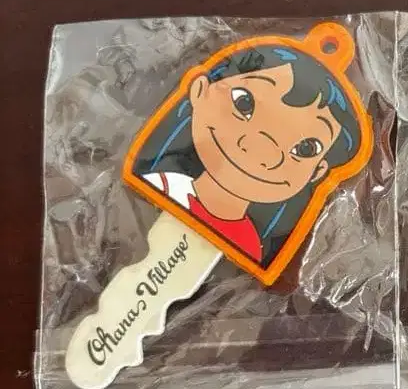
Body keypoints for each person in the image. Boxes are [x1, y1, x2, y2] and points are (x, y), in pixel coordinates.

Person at [133, 43, 362, 268]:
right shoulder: (162, 186)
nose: (263, 152)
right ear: (200, 89)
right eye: (244, 103)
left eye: (305, 149)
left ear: (318, 171)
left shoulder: (252, 246)